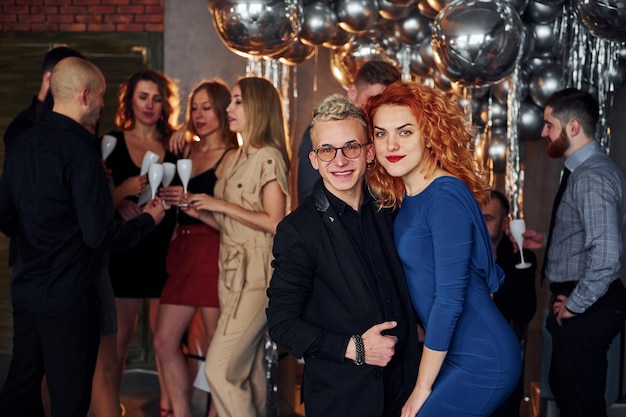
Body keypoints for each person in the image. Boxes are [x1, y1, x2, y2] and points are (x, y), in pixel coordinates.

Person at [0, 57, 165, 417]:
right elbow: (99, 235)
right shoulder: (81, 152)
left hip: (26, 288)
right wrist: (148, 220)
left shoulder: (21, 144)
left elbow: (5, 218)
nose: (104, 104)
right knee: (70, 399)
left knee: (20, 388)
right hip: (70, 296)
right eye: (102, 96)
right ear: (85, 95)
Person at [366, 80, 521, 417]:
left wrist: (421, 388)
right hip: (453, 351)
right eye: (380, 133)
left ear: (429, 135)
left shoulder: (444, 194)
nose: (391, 144)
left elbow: (450, 299)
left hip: (484, 357)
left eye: (405, 132)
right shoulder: (409, 197)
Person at [266, 93, 420, 417]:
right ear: (314, 159)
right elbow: (281, 324)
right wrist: (358, 349)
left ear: (368, 153)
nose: (340, 161)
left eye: (351, 147)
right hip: (343, 399)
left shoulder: (390, 208)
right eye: (327, 150)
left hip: (404, 389)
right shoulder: (297, 230)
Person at [182, 76, 290, 417]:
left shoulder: (269, 156)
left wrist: (220, 205)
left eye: (238, 101)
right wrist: (197, 211)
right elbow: (231, 224)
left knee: (220, 370)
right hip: (229, 271)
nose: (229, 108)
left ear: (257, 106)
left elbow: (276, 222)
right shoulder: (236, 156)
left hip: (257, 275)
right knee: (250, 371)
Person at [521, 88, 626, 417]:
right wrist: (550, 239)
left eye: (550, 124)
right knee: (571, 393)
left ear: (574, 127)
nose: (544, 132)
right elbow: (590, 231)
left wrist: (576, 304)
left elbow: (607, 255)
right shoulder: (586, 171)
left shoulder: (591, 176)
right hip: (582, 298)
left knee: (580, 402)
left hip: (587, 301)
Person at [153, 79, 238, 417]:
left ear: (221, 109)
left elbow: (234, 216)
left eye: (207, 108)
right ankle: (181, 411)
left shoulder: (233, 156)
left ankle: (217, 412)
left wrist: (197, 208)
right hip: (182, 249)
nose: (199, 115)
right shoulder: (185, 149)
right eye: (194, 109)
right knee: (164, 340)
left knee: (217, 344)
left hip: (213, 247)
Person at [104, 69, 180, 416]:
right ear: (130, 101)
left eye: (157, 97)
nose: (150, 105)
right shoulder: (110, 142)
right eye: (143, 97)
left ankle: (168, 407)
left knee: (167, 343)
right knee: (118, 343)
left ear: (165, 104)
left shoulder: (177, 144)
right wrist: (119, 197)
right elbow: (93, 202)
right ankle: (109, 407)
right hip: (123, 251)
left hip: (165, 250)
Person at [297, 60, 401, 203]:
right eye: (374, 100)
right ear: (352, 92)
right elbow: (308, 195)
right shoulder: (320, 132)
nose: (380, 108)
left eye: (389, 102)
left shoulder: (390, 138)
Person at [481, 190, 537, 417]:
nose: (480, 223)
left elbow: (525, 311)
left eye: (488, 218)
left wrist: (492, 268)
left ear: (505, 222)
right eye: (477, 215)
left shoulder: (520, 258)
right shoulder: (460, 253)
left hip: (505, 358)